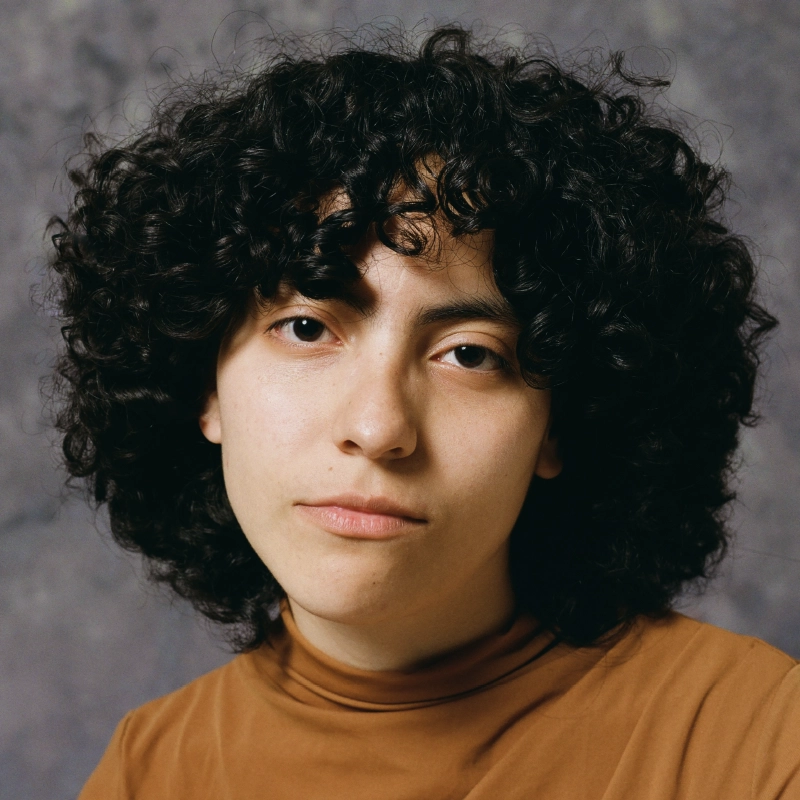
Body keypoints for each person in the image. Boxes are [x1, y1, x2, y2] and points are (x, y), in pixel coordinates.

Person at [48, 25, 799, 799]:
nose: (378, 429)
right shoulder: (150, 772)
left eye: (469, 354)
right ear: (203, 385)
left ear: (560, 421)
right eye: (307, 328)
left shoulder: (758, 742)